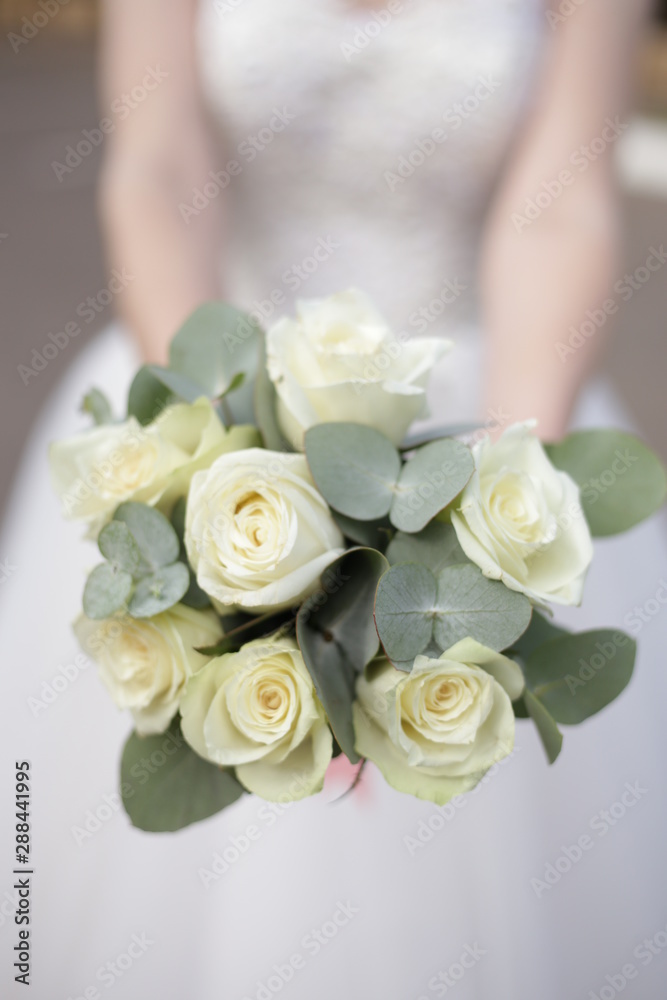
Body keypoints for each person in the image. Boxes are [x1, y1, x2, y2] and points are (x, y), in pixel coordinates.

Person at [2, 1, 666, 997]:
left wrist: (486, 504)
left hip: (477, 396)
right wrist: (214, 460)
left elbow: (561, 204)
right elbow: (160, 165)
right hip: (221, 374)